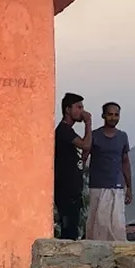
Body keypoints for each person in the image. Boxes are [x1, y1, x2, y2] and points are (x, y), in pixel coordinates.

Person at [83, 102, 132, 241]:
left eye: (116, 115)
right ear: (103, 115)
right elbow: (84, 156)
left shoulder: (122, 136)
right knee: (98, 223)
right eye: (110, 114)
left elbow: (125, 161)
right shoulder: (94, 135)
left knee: (117, 224)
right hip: (98, 185)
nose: (113, 118)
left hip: (117, 186)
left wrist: (129, 187)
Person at [54, 93, 93, 240]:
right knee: (68, 230)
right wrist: (88, 123)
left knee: (73, 228)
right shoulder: (64, 130)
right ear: (68, 109)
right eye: (78, 107)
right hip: (66, 190)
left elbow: (85, 149)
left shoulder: (70, 132)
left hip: (73, 190)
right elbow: (85, 144)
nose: (82, 111)